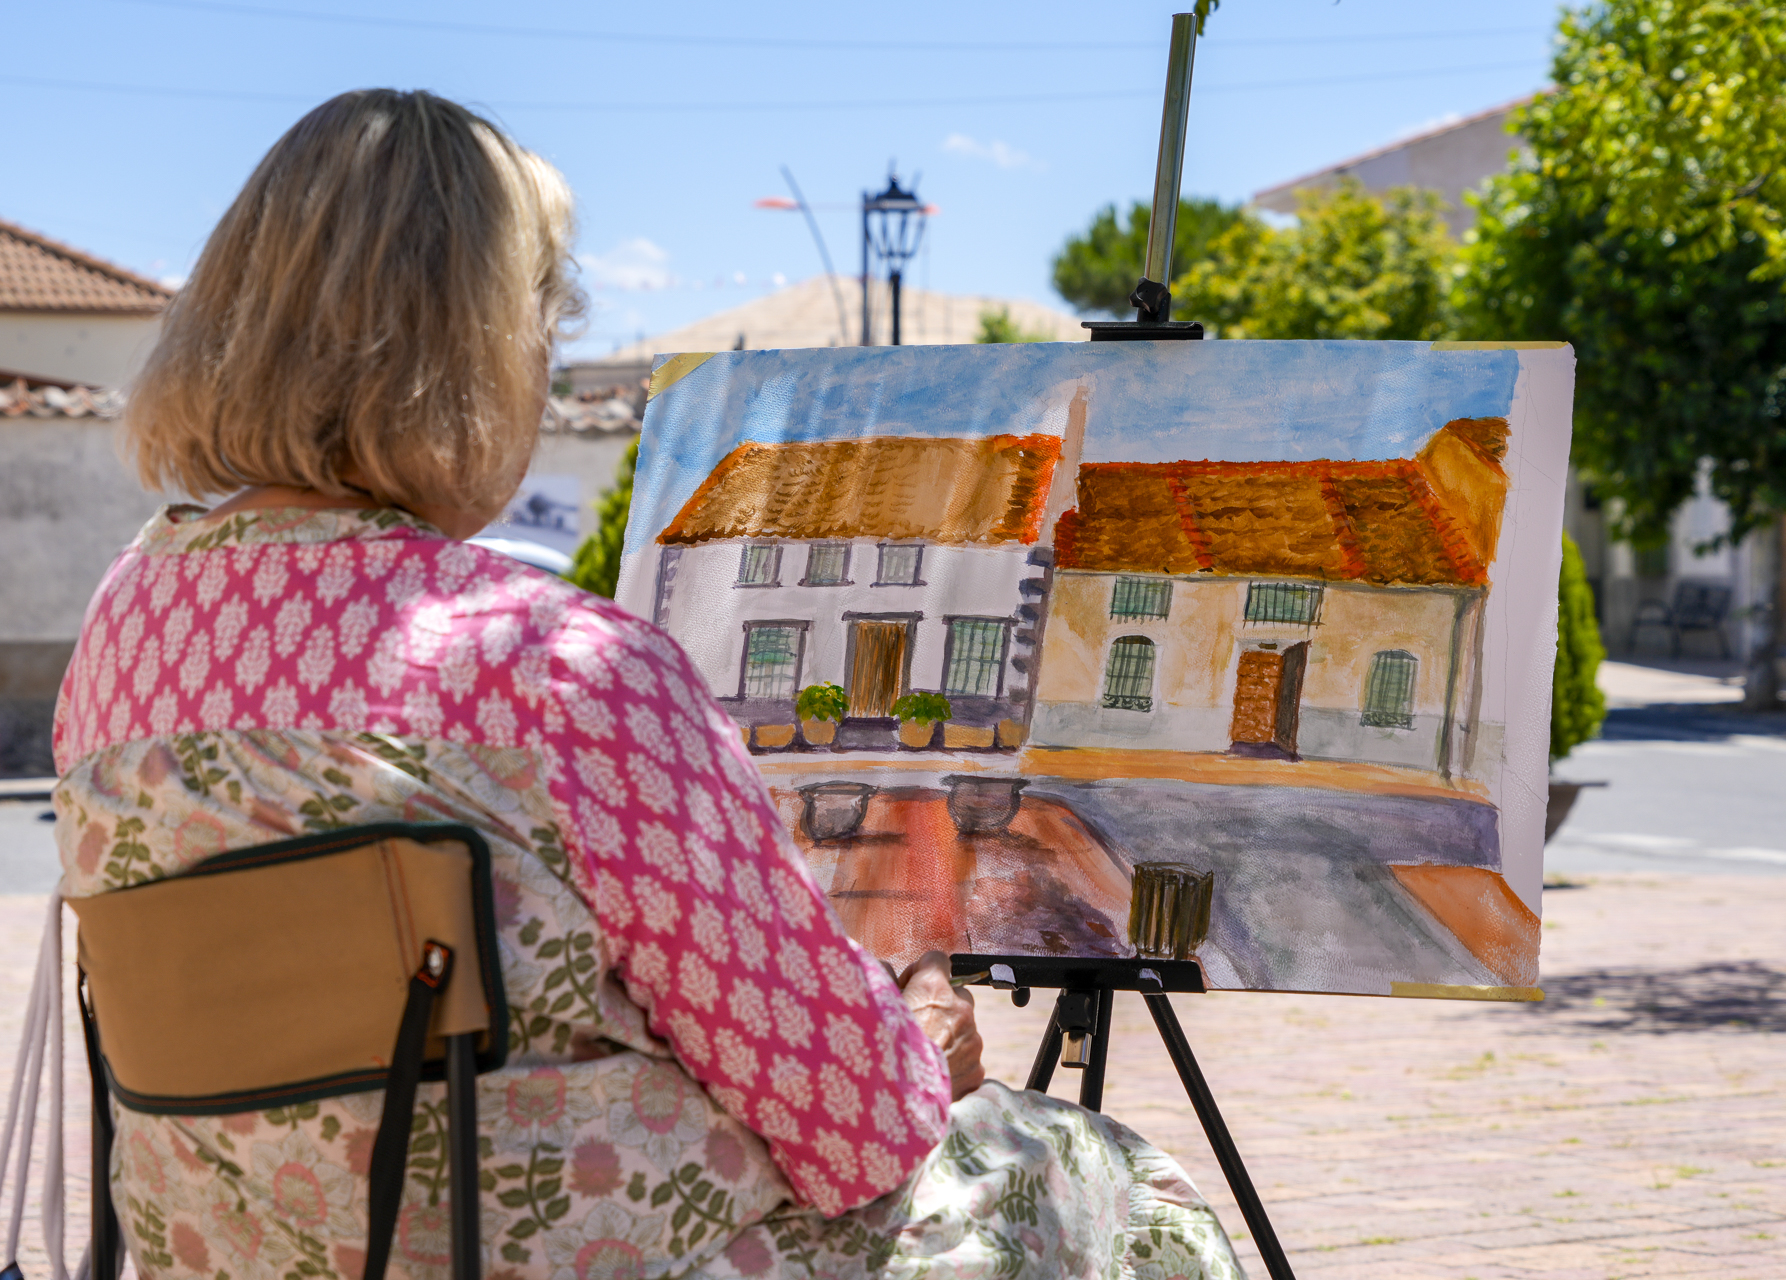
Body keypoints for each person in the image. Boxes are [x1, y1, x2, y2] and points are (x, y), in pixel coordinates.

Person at [51, 89, 1243, 1280]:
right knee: (1101, 1182)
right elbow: (855, 1118)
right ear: (477, 354)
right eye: (542, 323)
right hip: (570, 1253)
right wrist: (923, 1034)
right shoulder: (559, 670)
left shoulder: (122, 633)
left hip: (245, 1251)